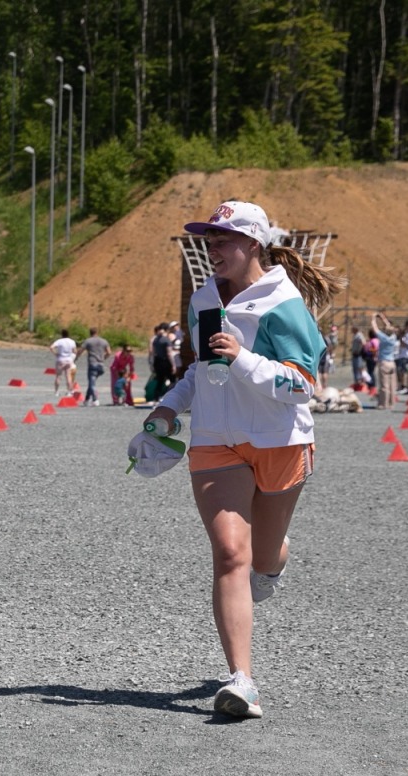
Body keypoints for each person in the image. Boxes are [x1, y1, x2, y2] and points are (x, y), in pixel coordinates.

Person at [150, 200, 345, 719]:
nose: (212, 249)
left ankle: (275, 556)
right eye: (208, 241)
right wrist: (168, 409)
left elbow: (302, 385)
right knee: (229, 554)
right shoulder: (203, 299)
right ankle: (242, 680)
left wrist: (244, 358)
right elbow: (201, 371)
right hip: (215, 440)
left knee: (261, 556)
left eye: (223, 240)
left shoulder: (283, 303)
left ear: (253, 244)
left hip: (281, 440)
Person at [370, 312, 399, 409]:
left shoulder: (384, 338)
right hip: (392, 362)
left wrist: (374, 318)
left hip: (384, 362)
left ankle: (383, 404)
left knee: (384, 385)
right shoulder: (393, 337)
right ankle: (391, 404)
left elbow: (375, 328)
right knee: (392, 385)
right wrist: (383, 318)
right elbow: (389, 326)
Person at [77, 328, 112, 406]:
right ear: (97, 332)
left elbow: (80, 350)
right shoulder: (104, 341)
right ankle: (86, 400)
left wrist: (76, 357)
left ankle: (95, 400)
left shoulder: (88, 341)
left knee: (92, 384)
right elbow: (109, 352)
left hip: (92, 364)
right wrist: (103, 358)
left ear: (90, 333)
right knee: (91, 383)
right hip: (101, 366)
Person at [50, 329, 78, 396]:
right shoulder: (72, 341)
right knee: (68, 376)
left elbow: (51, 347)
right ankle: (69, 391)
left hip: (60, 359)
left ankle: (56, 392)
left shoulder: (59, 341)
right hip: (68, 360)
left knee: (58, 376)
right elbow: (75, 351)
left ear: (61, 334)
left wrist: (56, 353)